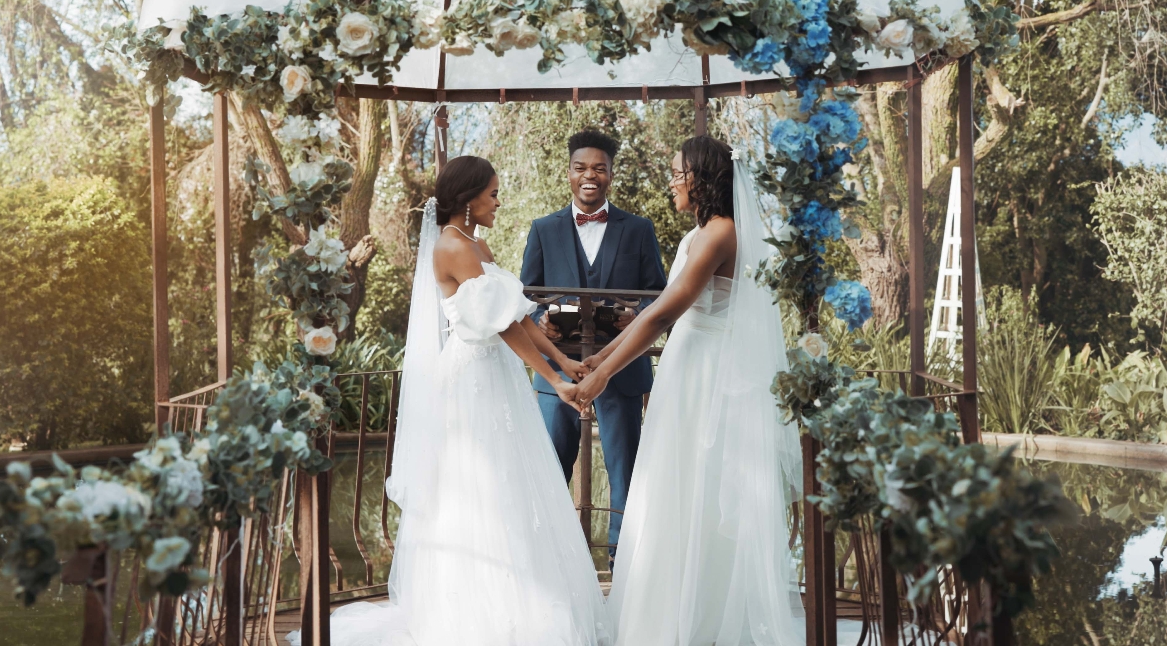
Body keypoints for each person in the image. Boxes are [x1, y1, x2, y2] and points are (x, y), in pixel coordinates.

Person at [307, 156, 612, 646]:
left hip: (497, 376)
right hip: (473, 378)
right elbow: (501, 325)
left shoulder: (475, 242)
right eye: (492, 193)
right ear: (470, 199)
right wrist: (555, 381)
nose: (498, 200)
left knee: (516, 482)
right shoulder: (452, 246)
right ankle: (485, 613)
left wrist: (565, 360)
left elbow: (518, 312)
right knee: (481, 488)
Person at [574, 136, 805, 645]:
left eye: (677, 173)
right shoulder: (700, 232)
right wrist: (602, 357)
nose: (671, 182)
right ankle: (664, 616)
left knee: (698, 492)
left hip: (709, 379)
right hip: (686, 370)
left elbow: (662, 314)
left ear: (701, 178)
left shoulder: (721, 232)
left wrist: (603, 374)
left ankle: (698, 623)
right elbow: (659, 313)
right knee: (671, 491)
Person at [519, 130, 668, 569]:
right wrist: (538, 320)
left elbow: (657, 294)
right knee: (550, 466)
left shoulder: (639, 229)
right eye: (582, 167)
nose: (590, 176)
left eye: (599, 168)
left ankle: (625, 565)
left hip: (621, 366)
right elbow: (527, 296)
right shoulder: (542, 229)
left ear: (610, 174)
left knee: (624, 468)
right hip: (557, 367)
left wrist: (635, 315)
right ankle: (549, 560)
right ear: (569, 173)